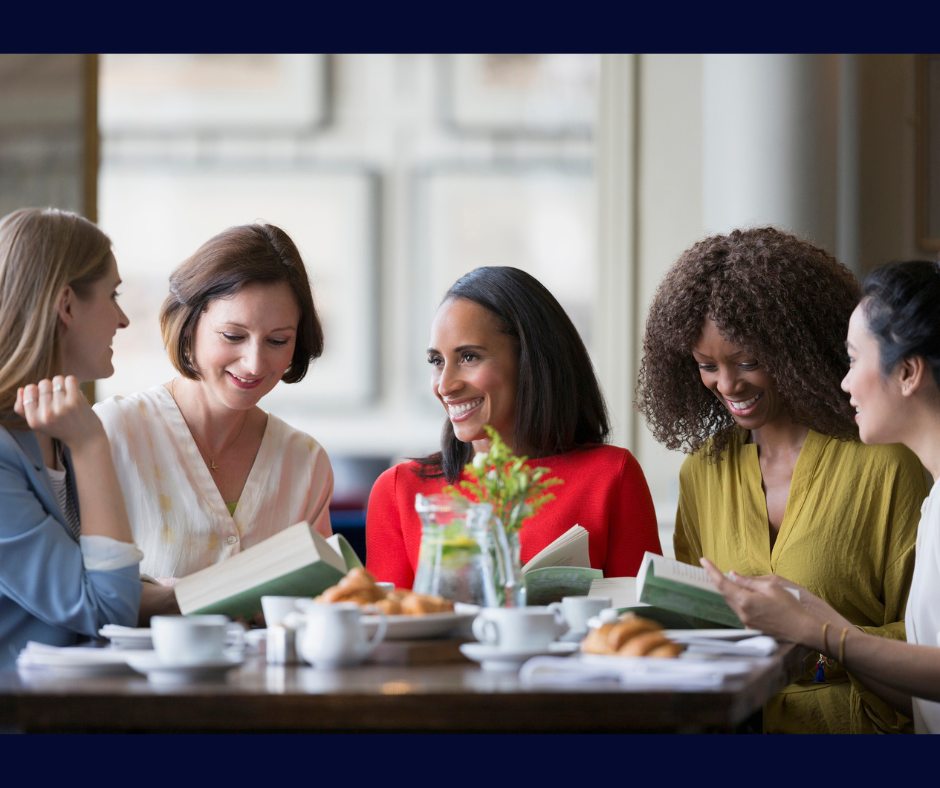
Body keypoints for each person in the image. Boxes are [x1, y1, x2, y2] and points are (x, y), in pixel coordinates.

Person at [635, 228, 929, 734]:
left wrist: (809, 650)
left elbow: (926, 640)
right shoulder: (703, 473)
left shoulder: (884, 464)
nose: (727, 385)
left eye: (747, 361)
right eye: (707, 366)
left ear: (796, 346)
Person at [701, 259, 940, 735]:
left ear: (908, 372)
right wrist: (810, 612)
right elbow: (920, 693)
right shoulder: (934, 504)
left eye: (853, 360)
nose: (845, 381)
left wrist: (818, 633)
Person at [366, 266, 662, 588]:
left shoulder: (612, 477)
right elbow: (385, 630)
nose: (445, 385)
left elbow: (641, 625)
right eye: (437, 361)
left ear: (530, 361)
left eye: (468, 357)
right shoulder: (399, 491)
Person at [93, 223, 333, 583]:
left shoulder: (304, 462)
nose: (254, 363)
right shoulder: (113, 433)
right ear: (189, 326)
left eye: (278, 341)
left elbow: (324, 601)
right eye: (233, 335)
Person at [0, 208, 143, 670]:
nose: (122, 319)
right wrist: (91, 446)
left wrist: (187, 592)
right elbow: (104, 609)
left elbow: (100, 590)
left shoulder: (54, 430)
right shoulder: (68, 436)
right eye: (112, 294)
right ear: (66, 305)